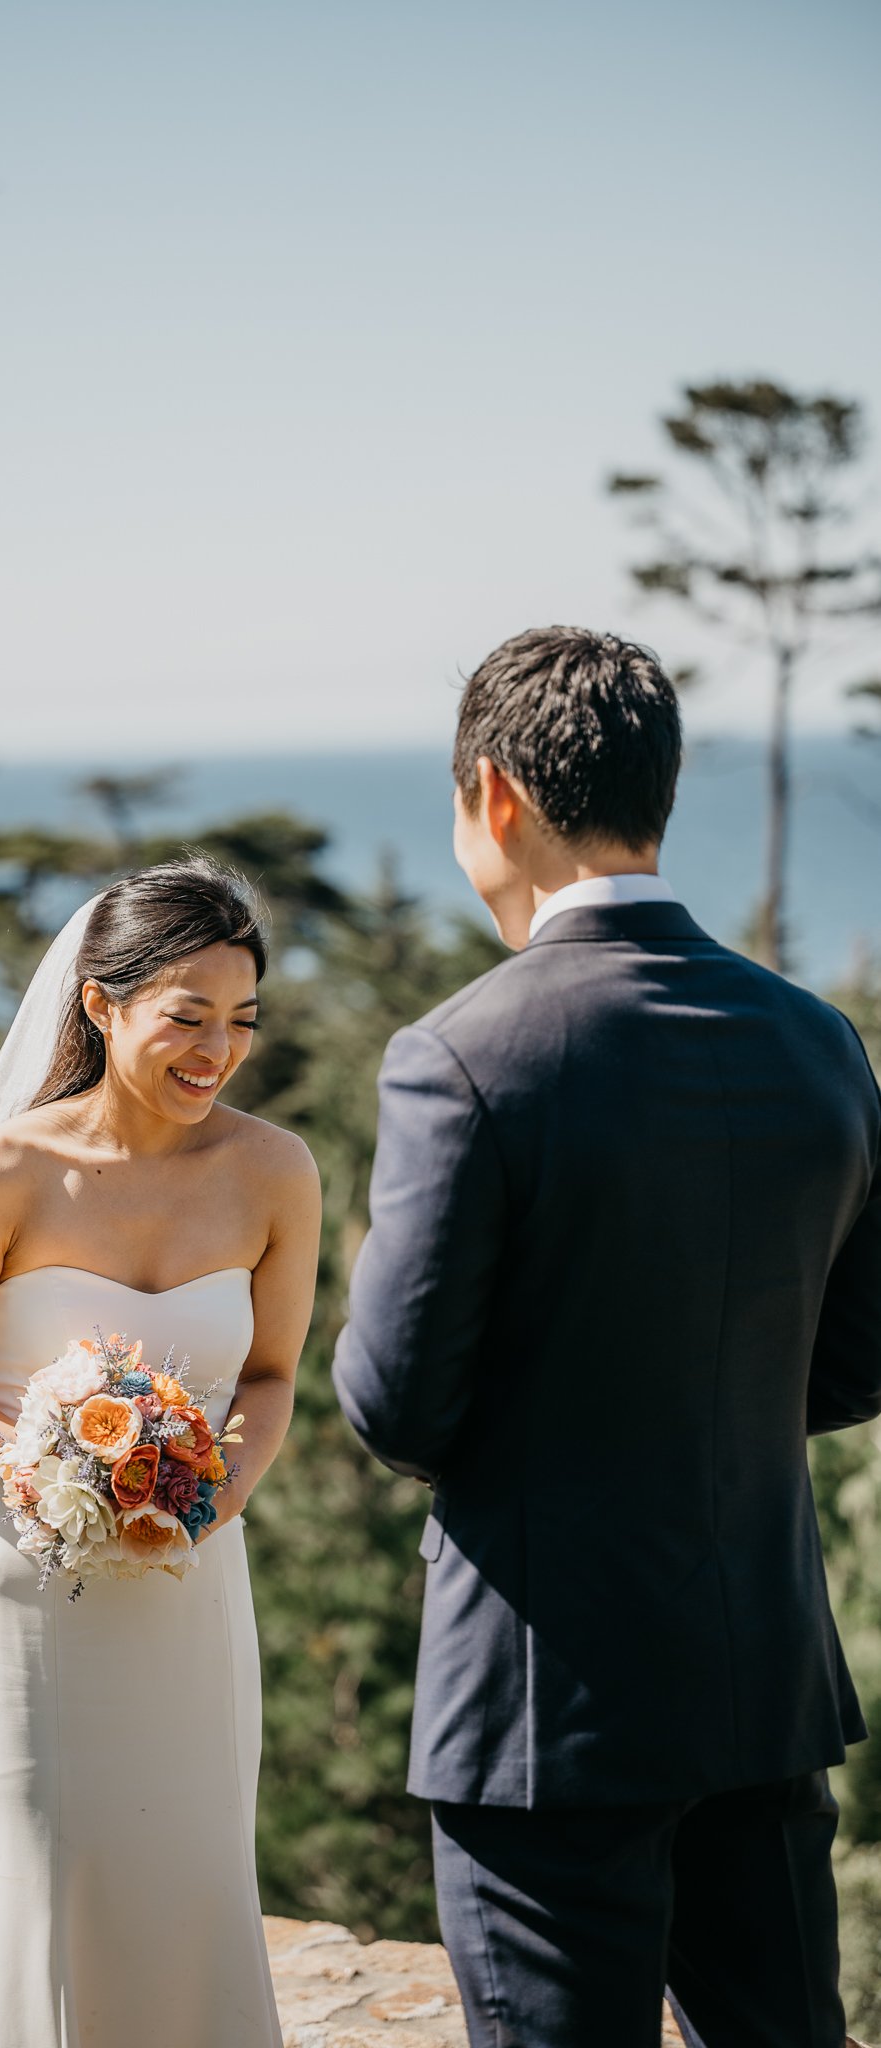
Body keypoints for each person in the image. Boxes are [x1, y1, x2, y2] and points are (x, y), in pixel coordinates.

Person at [331, 625, 881, 2048]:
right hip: (758, 1678)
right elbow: (855, 1362)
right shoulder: (814, 1040)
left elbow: (393, 1400)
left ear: (493, 795)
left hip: (542, 1708)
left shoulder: (461, 1055)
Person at [0, 855, 320, 2048]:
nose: (217, 1050)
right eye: (185, 1017)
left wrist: (209, 1497)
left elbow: (272, 1374)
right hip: (27, 1589)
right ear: (101, 1004)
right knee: (43, 1866)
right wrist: (55, 1463)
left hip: (192, 1588)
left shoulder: (274, 1171)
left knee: (189, 1872)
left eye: (239, 1021)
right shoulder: (5, 1168)